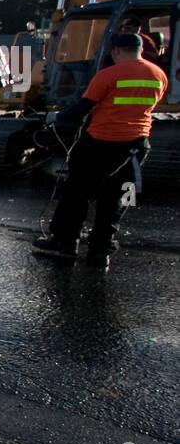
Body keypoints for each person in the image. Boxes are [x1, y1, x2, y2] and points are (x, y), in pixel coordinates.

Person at [32, 32, 168, 268]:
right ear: (140, 50)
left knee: (77, 193)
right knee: (118, 198)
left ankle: (65, 242)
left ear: (116, 51)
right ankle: (100, 251)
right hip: (136, 147)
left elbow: (82, 109)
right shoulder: (159, 75)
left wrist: (55, 118)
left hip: (101, 144)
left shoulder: (108, 75)